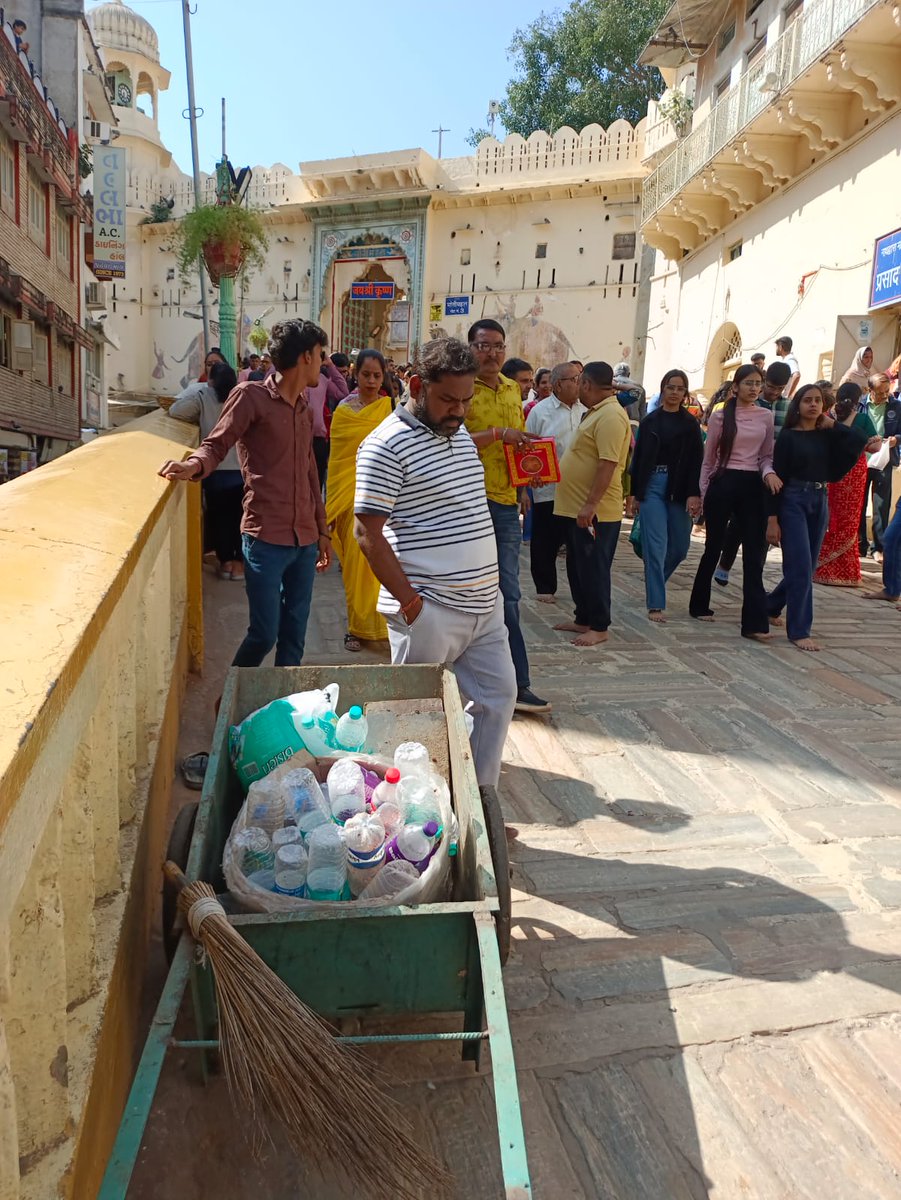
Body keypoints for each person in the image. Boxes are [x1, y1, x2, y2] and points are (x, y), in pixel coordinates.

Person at [354, 338, 517, 787]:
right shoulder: (385, 445)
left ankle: (479, 803)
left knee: (498, 699)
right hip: (430, 610)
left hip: (485, 607)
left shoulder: (455, 431)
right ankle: (407, 807)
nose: (459, 411)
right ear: (416, 386)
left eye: (466, 400)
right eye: (448, 400)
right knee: (413, 719)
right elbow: (367, 533)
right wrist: (412, 605)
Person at [158, 319, 332, 667]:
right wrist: (193, 465)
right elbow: (217, 443)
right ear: (305, 357)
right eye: (319, 354)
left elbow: (311, 472)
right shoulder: (250, 397)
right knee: (264, 633)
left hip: (305, 541)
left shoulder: (304, 409)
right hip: (265, 537)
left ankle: (284, 700)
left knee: (294, 636)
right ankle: (230, 696)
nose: (323, 362)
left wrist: (322, 530)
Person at [465, 319, 550, 713]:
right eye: (484, 345)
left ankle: (518, 684)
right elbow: (448, 440)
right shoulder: (460, 386)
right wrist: (497, 434)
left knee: (508, 594)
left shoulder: (513, 389)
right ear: (470, 347)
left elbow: (518, 442)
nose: (492, 353)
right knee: (466, 593)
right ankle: (464, 684)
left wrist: (525, 484)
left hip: (503, 503)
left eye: (498, 346)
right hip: (465, 504)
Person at [766, 384, 877, 651]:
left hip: (820, 499)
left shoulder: (827, 434)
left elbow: (857, 441)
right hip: (793, 500)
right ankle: (799, 630)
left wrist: (833, 425)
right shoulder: (788, 437)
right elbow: (778, 479)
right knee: (800, 566)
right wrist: (772, 519)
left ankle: (769, 606)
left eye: (817, 400)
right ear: (798, 405)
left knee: (808, 565)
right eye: (807, 400)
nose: (813, 405)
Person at [689, 363, 781, 639]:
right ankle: (699, 604)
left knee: (753, 553)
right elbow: (708, 460)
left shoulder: (765, 416)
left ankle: (754, 623)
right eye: (749, 383)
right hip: (723, 482)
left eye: (758, 383)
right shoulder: (720, 417)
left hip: (753, 485)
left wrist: (769, 473)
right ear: (736, 387)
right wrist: (702, 494)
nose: (754, 388)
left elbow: (766, 456)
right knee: (713, 546)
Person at [553, 361, 632, 647]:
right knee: (578, 566)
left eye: (578, 382)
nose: (577, 388)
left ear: (586, 384)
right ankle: (583, 617)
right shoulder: (596, 412)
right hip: (575, 506)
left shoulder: (611, 415)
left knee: (594, 567)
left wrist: (590, 505)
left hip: (597, 511)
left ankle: (599, 626)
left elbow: (607, 464)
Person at [326, 350, 392, 651]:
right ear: (356, 374)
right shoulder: (344, 411)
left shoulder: (389, 409)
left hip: (382, 498)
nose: (372, 381)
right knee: (355, 566)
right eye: (366, 374)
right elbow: (338, 461)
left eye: (377, 375)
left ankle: (383, 625)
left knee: (382, 565)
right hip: (349, 499)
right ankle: (355, 628)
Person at [628, 369, 704, 622]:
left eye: (680, 388)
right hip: (652, 485)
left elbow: (696, 462)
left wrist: (694, 493)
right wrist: (634, 493)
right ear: (663, 389)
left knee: (680, 548)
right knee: (656, 546)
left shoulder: (690, 424)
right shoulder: (650, 421)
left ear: (685, 393)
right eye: (671, 387)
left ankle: (656, 580)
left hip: (680, 488)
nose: (674, 392)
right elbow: (638, 459)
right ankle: (656, 603)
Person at [714, 360, 792, 587]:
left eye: (780, 388)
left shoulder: (789, 407)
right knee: (738, 522)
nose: (774, 392)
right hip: (747, 471)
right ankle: (725, 562)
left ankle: (755, 579)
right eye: (771, 386)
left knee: (765, 524)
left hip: (774, 474)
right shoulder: (749, 403)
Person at [167, 362, 244, 581]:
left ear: (210, 380)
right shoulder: (242, 396)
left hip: (214, 470)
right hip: (241, 470)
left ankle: (226, 562)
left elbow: (176, 411)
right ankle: (240, 564)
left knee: (219, 519)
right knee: (240, 519)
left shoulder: (203, 395)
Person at [525, 362, 586, 601]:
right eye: (575, 379)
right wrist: (530, 479)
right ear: (559, 385)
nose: (580, 383)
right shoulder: (540, 411)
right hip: (548, 486)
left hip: (578, 488)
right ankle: (545, 587)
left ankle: (580, 590)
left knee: (577, 541)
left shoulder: (586, 409)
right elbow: (529, 447)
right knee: (545, 539)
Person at [815, 383, 876, 587]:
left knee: (828, 516)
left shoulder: (826, 416)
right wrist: (858, 441)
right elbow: (876, 446)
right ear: (857, 401)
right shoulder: (862, 419)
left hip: (830, 470)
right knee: (848, 519)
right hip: (853, 472)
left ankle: (820, 565)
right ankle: (845, 571)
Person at [858, 372, 901, 561]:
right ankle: (859, 544)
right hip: (861, 459)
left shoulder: (896, 406)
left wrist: (896, 439)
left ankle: (878, 547)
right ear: (870, 390)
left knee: (881, 504)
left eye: (887, 391)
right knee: (859, 503)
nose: (885, 395)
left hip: (884, 458)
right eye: (880, 392)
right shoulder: (860, 404)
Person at [306, 353, 350, 490]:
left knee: (316, 484)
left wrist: (330, 366)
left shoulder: (322, 379)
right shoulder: (294, 377)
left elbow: (343, 393)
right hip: (296, 436)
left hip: (318, 439)